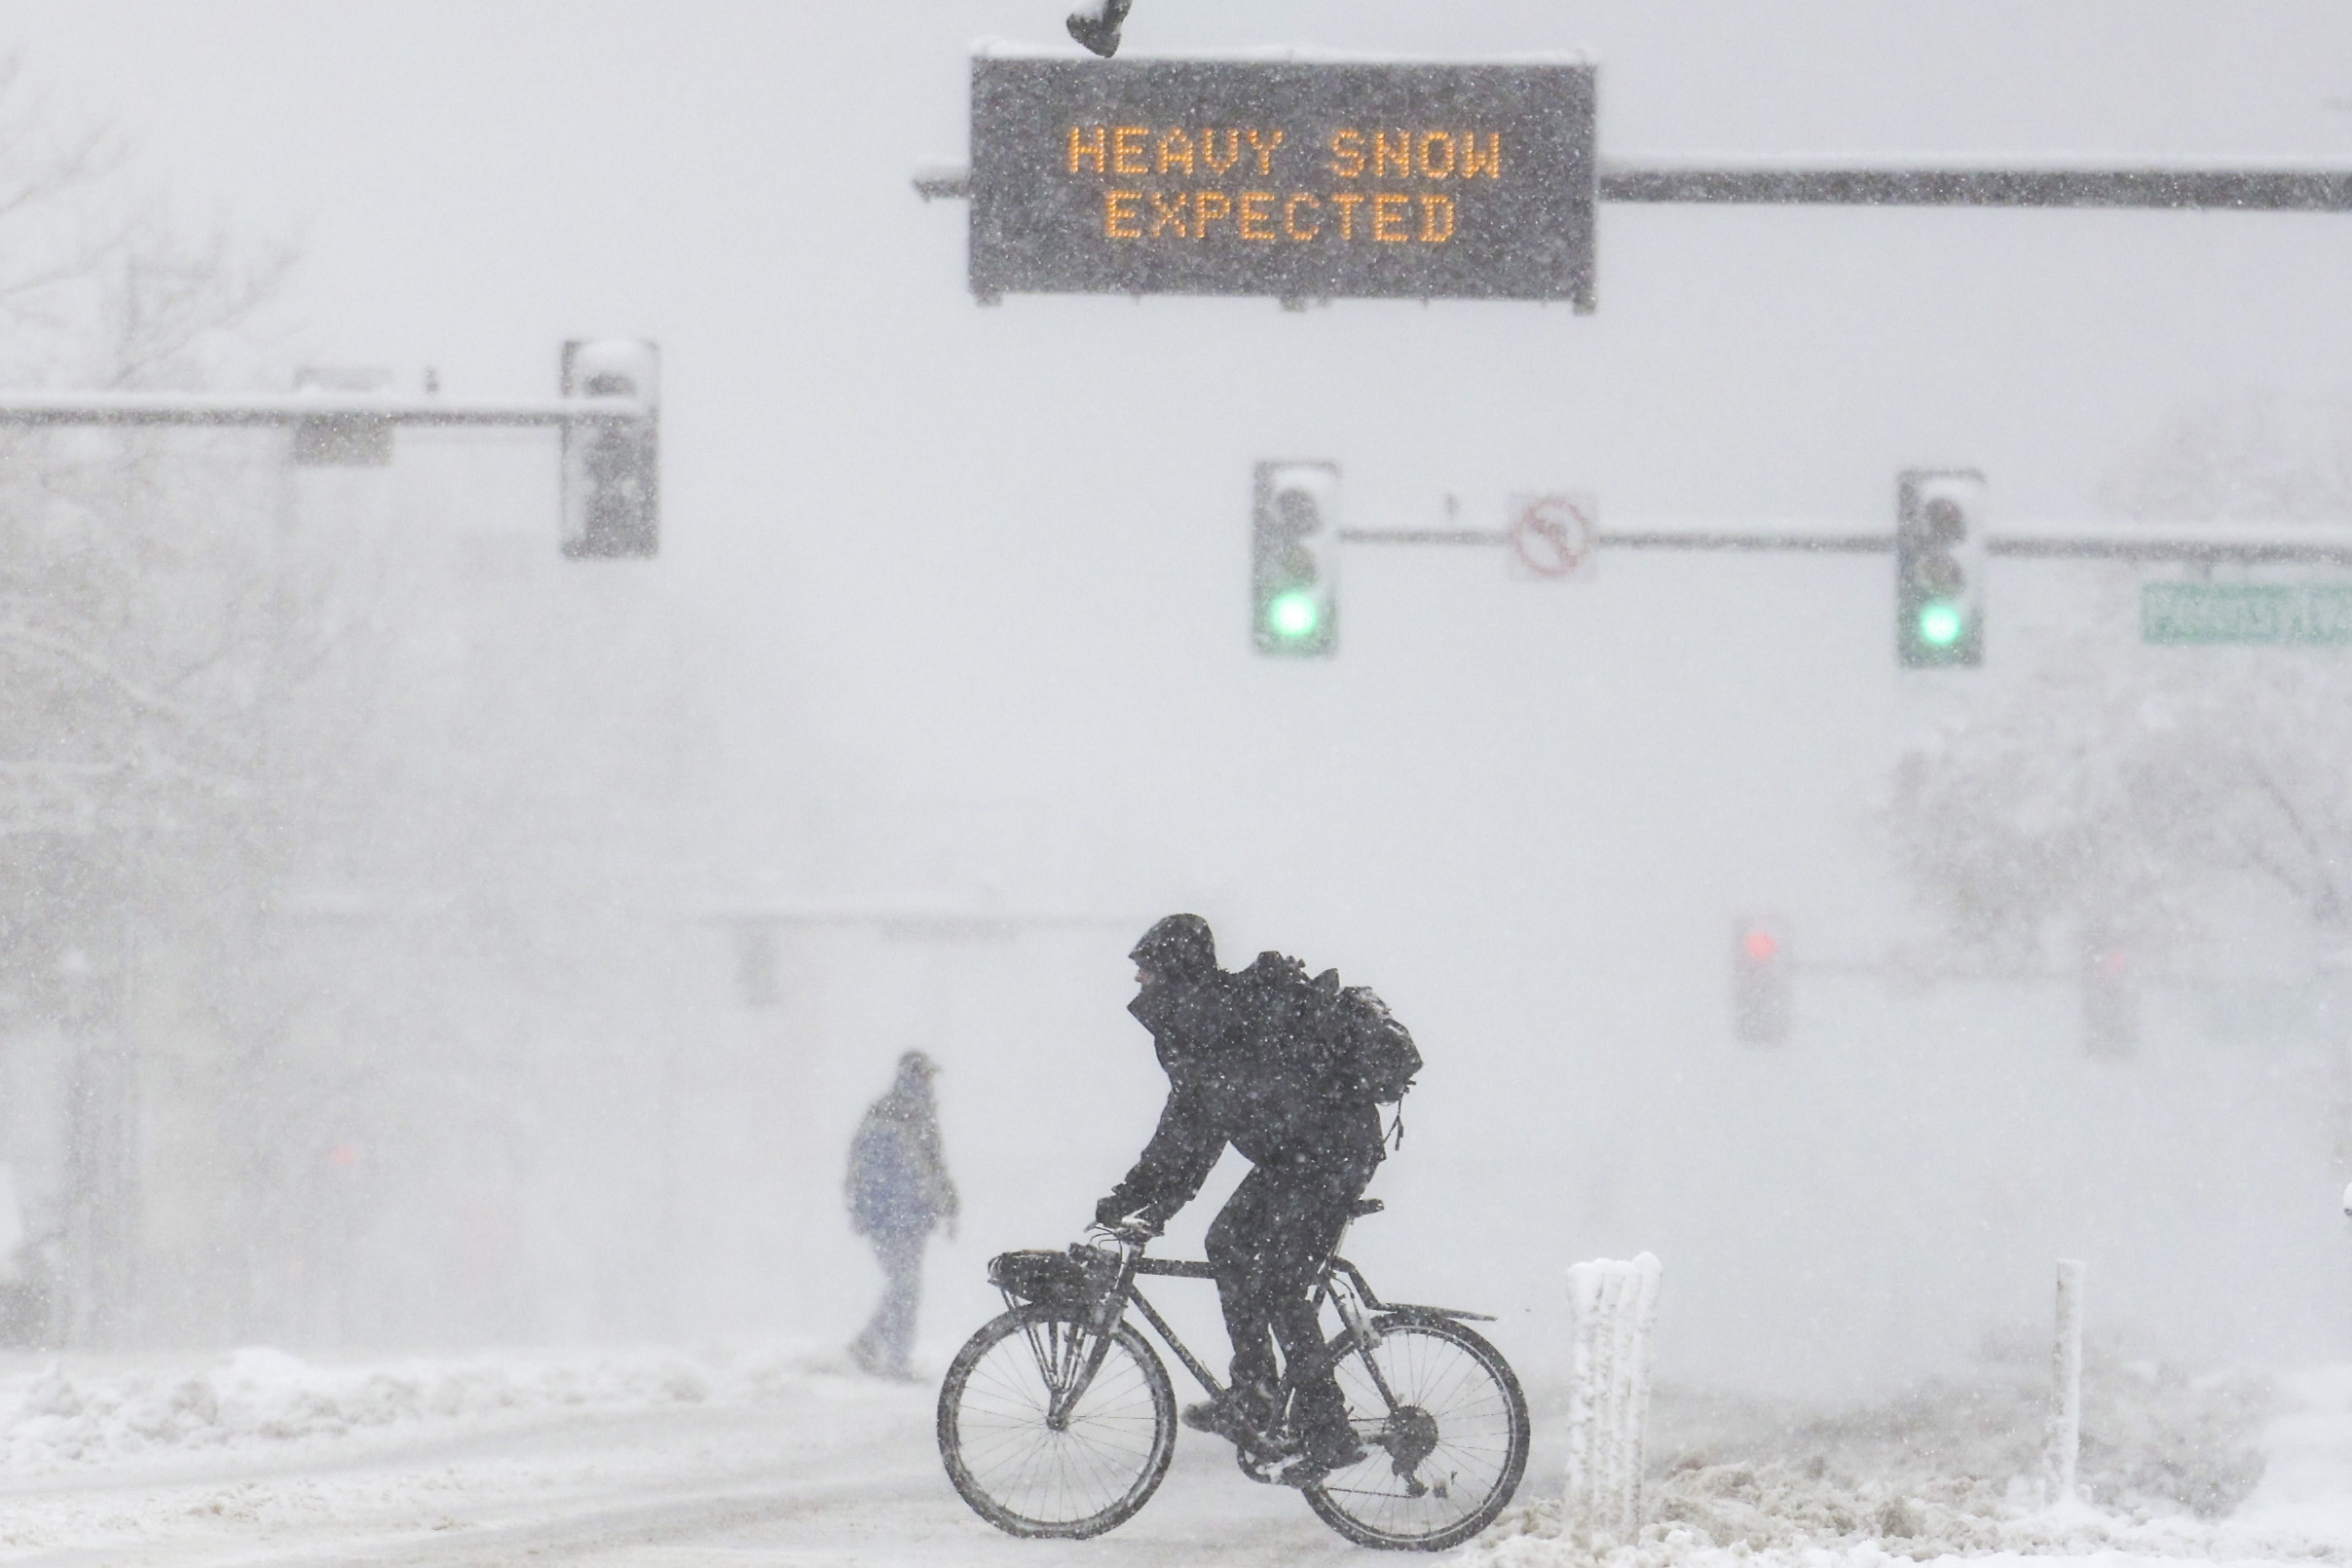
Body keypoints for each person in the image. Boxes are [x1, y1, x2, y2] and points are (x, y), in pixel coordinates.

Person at [1092, 915, 1387, 1476]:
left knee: (1279, 1278)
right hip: (1304, 1153)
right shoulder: (1201, 1020)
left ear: (1174, 971)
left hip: (1329, 1153)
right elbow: (1192, 1125)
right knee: (1227, 1241)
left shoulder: (1211, 1020)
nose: (1138, 982)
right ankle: (1255, 1390)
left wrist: (1147, 1200)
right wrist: (1144, 1198)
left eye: (1146, 969)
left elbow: (1197, 1129)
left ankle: (1326, 1428)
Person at [845, 1051, 958, 1380]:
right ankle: (890, 1359)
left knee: (904, 1286)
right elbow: (917, 1167)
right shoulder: (897, 1115)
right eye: (925, 1076)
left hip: (909, 1217)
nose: (930, 1084)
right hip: (892, 1217)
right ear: (913, 1077)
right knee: (905, 1286)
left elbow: (934, 1165)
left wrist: (949, 1205)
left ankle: (873, 1346)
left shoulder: (914, 1115)